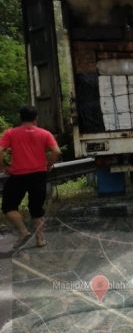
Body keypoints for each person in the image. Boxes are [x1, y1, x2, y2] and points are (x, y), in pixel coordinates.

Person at [0, 106, 61, 249]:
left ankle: (23, 231)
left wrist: (2, 167)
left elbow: (0, 151)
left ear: (20, 117)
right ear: (36, 117)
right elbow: (56, 151)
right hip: (39, 175)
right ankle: (40, 240)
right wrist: (48, 163)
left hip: (18, 175)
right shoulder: (45, 133)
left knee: (8, 206)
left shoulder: (11, 133)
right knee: (36, 208)